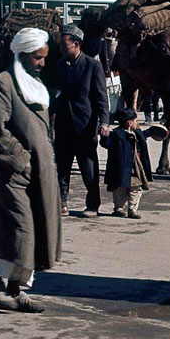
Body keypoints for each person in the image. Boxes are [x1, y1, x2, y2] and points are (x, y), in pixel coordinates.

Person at [0, 27, 61, 313]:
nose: (42, 63)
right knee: (20, 229)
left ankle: (15, 290)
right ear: (23, 55)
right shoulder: (2, 83)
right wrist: (21, 159)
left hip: (39, 172)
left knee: (35, 229)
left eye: (43, 58)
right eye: (37, 58)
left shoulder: (35, 85)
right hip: (15, 173)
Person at [52, 23, 110, 218]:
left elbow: (102, 97)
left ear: (76, 44)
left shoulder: (93, 66)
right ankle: (61, 203)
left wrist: (104, 122)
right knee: (62, 167)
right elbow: (57, 95)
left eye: (64, 44)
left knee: (89, 168)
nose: (61, 48)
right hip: (63, 125)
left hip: (85, 126)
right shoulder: (59, 65)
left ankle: (93, 205)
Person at [101, 108, 152, 219]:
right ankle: (119, 208)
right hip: (120, 169)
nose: (136, 124)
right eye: (135, 121)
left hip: (134, 169)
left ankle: (132, 209)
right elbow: (106, 144)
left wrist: (152, 131)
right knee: (119, 190)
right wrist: (104, 137)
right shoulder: (116, 135)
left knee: (135, 189)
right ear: (129, 123)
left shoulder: (136, 134)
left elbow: (143, 137)